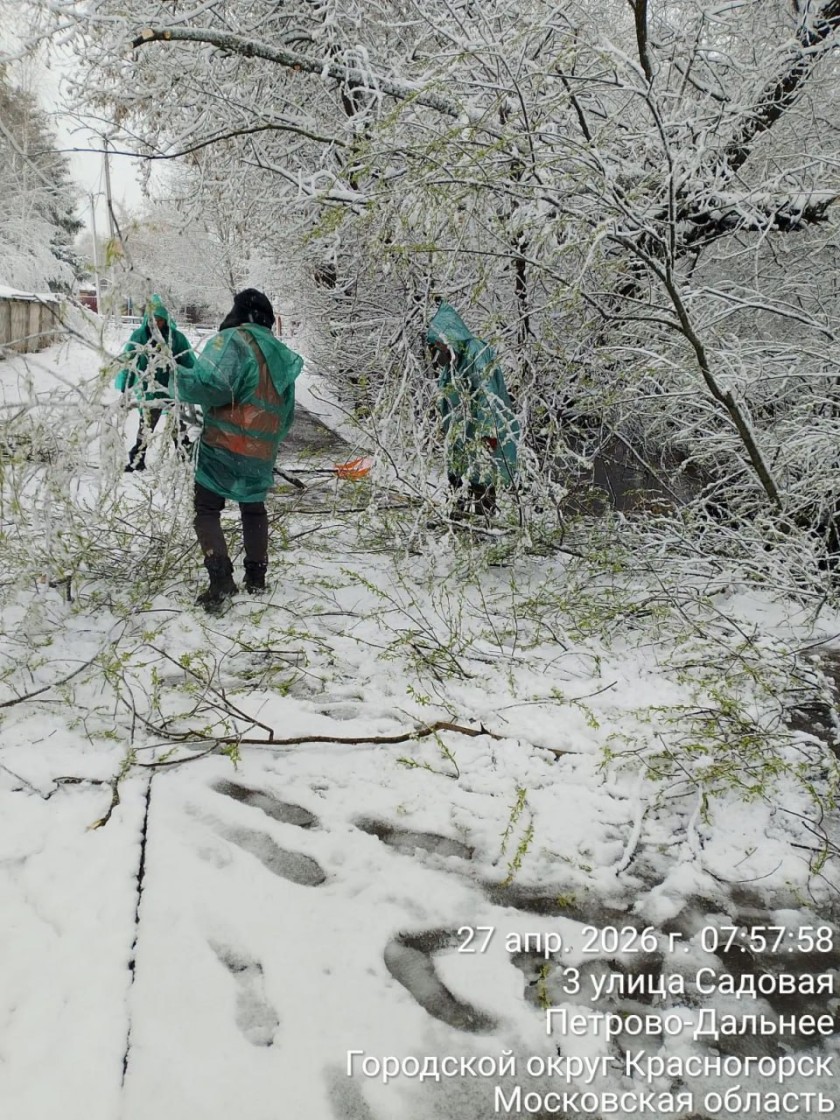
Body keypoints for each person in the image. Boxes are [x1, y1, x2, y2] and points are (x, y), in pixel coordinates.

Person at [175, 288, 304, 610]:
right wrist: (265, 442)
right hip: (260, 451)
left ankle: (221, 581)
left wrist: (173, 376)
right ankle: (256, 577)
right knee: (253, 509)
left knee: (207, 509)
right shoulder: (280, 354)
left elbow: (212, 386)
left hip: (223, 445)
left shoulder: (233, 341)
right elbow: (287, 414)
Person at [426, 301, 519, 517]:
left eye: (439, 344)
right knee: (457, 472)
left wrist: (489, 432)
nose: (437, 351)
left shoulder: (475, 352)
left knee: (482, 475)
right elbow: (448, 398)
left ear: (450, 337)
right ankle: (457, 516)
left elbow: (487, 394)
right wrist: (447, 428)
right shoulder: (452, 363)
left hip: (481, 428)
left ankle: (482, 521)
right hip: (462, 430)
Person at [115, 294, 196, 471]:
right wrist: (125, 386)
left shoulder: (176, 338)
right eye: (153, 320)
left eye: (160, 320)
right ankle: (137, 460)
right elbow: (129, 361)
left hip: (172, 389)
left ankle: (185, 455)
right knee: (146, 426)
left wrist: (193, 381)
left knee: (177, 424)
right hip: (149, 390)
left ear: (165, 320)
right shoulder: (139, 336)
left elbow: (188, 361)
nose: (156, 324)